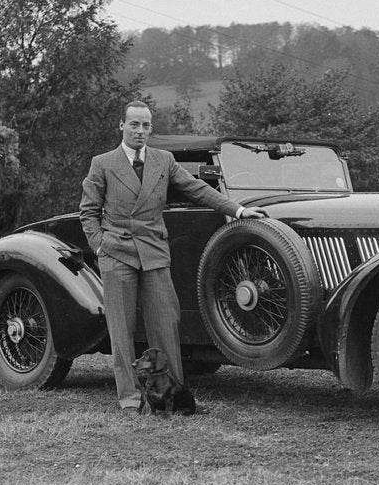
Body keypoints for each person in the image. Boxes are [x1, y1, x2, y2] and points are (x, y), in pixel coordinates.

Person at [79, 100, 266, 412]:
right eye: (134, 124)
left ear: (152, 129)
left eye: (146, 126)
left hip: (153, 252)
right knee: (122, 329)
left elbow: (198, 189)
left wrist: (239, 209)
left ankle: (173, 395)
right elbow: (88, 211)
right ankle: (130, 397)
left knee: (166, 323)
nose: (140, 131)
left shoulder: (163, 160)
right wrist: (100, 245)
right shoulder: (103, 163)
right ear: (121, 126)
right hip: (117, 253)